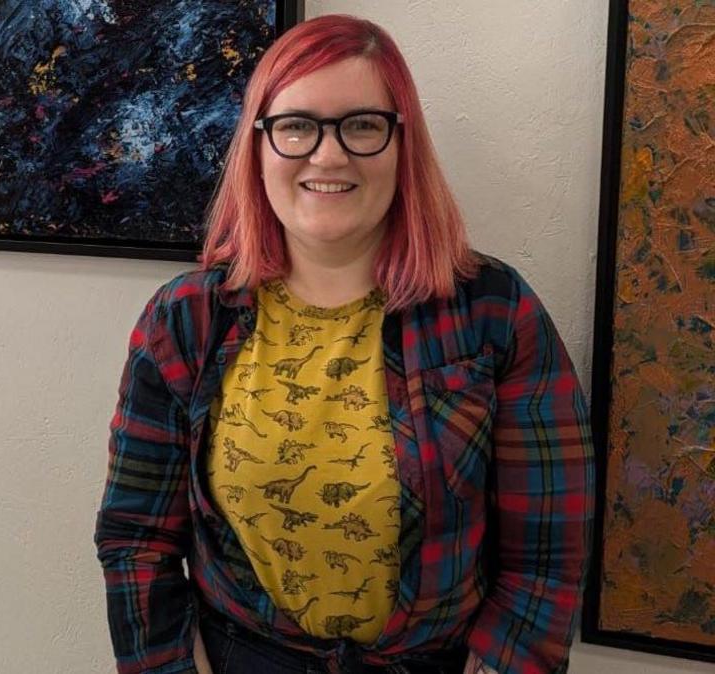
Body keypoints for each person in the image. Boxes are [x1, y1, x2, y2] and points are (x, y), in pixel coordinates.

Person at [94, 14, 594, 674]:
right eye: (297, 126)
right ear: (259, 145)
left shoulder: (494, 313)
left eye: (361, 125)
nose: (327, 156)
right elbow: (137, 538)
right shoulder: (186, 321)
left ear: (400, 145)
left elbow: (549, 548)